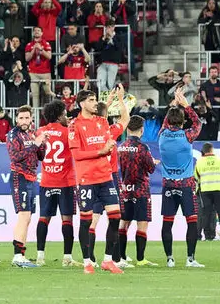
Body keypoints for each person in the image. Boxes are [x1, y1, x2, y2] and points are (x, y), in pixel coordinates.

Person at [68, 87, 127, 274]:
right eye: (92, 100)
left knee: (116, 217)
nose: (95, 103)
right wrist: (100, 151)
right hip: (86, 179)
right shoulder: (74, 126)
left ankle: (108, 260)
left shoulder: (102, 122)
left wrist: (109, 145)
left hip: (105, 177)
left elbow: (111, 136)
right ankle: (87, 262)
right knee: (86, 221)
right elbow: (76, 154)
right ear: (82, 103)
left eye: (95, 100)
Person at [157, 90, 203, 268]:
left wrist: (174, 105)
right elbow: (198, 122)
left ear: (167, 121)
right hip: (186, 184)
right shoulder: (187, 135)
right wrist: (186, 105)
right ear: (183, 121)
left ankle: (169, 258)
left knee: (167, 222)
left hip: (168, 184)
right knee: (191, 221)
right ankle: (190, 259)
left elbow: (164, 121)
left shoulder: (162, 135)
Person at [36, 100, 77, 266]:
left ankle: (40, 256)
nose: (66, 116)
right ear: (60, 115)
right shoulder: (67, 132)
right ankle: (67, 257)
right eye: (65, 114)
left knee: (43, 218)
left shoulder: (40, 131)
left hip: (46, 181)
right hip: (65, 182)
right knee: (67, 220)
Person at [115, 115, 157, 267]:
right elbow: (151, 168)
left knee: (123, 223)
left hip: (125, 189)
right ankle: (140, 259)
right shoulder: (142, 148)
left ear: (127, 128)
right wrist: (153, 162)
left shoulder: (121, 147)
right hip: (141, 190)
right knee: (142, 223)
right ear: (142, 130)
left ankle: (121, 257)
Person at [5, 105, 43, 267]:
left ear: (31, 119)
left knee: (27, 218)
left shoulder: (30, 134)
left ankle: (22, 254)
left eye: (27, 118)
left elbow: (40, 156)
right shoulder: (13, 134)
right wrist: (35, 144)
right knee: (24, 215)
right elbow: (15, 157)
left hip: (31, 178)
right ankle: (17, 256)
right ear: (16, 119)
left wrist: (42, 144)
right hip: (19, 177)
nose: (24, 121)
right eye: (21, 118)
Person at [195, 143, 220, 242]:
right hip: (218, 189)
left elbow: (197, 176)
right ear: (211, 150)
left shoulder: (199, 161)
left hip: (205, 190)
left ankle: (207, 236)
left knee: (205, 214)